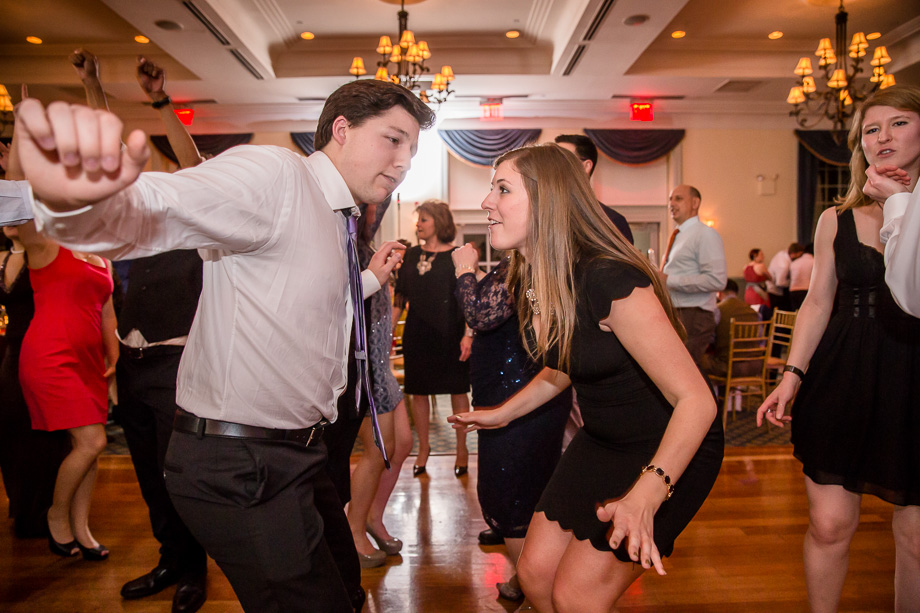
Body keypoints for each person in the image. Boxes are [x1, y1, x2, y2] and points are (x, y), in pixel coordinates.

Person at [16, 78, 434, 612]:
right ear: (342, 130)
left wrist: (368, 281)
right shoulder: (275, 174)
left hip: (297, 454)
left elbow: (318, 303)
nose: (403, 162)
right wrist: (84, 198)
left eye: (413, 150)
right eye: (393, 140)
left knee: (345, 588)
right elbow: (153, 209)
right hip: (241, 460)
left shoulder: (337, 216)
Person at [449, 144, 723, 612]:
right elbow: (565, 364)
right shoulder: (534, 277)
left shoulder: (607, 279)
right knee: (535, 577)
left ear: (548, 200)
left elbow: (697, 401)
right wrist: (502, 415)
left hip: (669, 446)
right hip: (601, 442)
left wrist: (647, 494)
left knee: (575, 596)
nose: (486, 202)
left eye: (502, 189)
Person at [757, 85, 920, 613]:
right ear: (860, 147)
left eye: (898, 123)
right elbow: (817, 303)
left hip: (912, 377)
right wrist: (792, 375)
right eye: (871, 129)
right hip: (841, 374)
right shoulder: (835, 219)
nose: (883, 137)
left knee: (916, 537)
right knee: (829, 524)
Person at [71, 50, 210, 612]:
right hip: (133, 368)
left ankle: (194, 573)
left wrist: (158, 101)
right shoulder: (131, 227)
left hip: (177, 369)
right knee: (149, 478)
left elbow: (194, 163)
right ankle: (169, 559)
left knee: (178, 478)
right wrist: (92, 86)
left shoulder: (198, 222)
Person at [452, 244, 571, 604]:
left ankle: (540, 596)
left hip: (522, 402)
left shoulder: (535, 267)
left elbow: (479, 313)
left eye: (502, 190)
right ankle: (529, 582)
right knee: (523, 493)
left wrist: (464, 271)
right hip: (512, 398)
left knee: (513, 498)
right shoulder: (524, 263)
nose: (490, 203)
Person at [346, 198, 413, 569]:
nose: (378, 212)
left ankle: (372, 515)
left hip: (381, 362)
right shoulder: (347, 248)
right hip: (365, 365)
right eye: (372, 206)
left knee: (401, 443)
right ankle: (354, 528)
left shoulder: (368, 248)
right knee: (379, 451)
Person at [0, 224, 70, 539]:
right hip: (9, 351)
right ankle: (22, 505)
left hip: (44, 346)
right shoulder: (1, 258)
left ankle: (48, 509)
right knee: (12, 428)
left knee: (45, 429)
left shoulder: (44, 255)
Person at [393, 200, 472, 478]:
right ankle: (423, 448)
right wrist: (389, 335)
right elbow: (399, 299)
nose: (418, 224)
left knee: (458, 391)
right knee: (419, 391)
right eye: (419, 220)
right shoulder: (411, 255)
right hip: (417, 334)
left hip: (451, 334)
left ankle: (462, 449)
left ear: (438, 222)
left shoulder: (456, 256)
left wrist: (468, 335)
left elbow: (466, 300)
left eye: (424, 219)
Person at [660, 184, 728, 365]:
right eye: (670, 200)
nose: (672, 204)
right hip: (677, 312)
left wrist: (669, 280)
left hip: (694, 315)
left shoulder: (705, 234)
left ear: (695, 203)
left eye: (678, 199)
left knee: (683, 371)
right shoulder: (678, 235)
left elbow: (717, 280)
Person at [553, 134, 633, 244]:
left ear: (586, 166)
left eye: (563, 159)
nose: (555, 166)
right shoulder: (543, 215)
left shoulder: (612, 222)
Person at [703, 279, 760, 380]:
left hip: (729, 367)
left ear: (719, 293)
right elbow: (761, 339)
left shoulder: (718, 310)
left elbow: (709, 338)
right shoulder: (752, 311)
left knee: (695, 358)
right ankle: (735, 394)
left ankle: (713, 393)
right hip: (755, 365)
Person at [766, 243, 803, 312]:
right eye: (799, 255)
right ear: (793, 254)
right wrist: (792, 281)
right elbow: (780, 283)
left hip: (775, 290)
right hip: (776, 293)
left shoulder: (782, 254)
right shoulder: (784, 265)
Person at [788, 243, 814, 310]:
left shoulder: (794, 263)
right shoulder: (813, 262)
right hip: (805, 290)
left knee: (796, 313)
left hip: (793, 290)